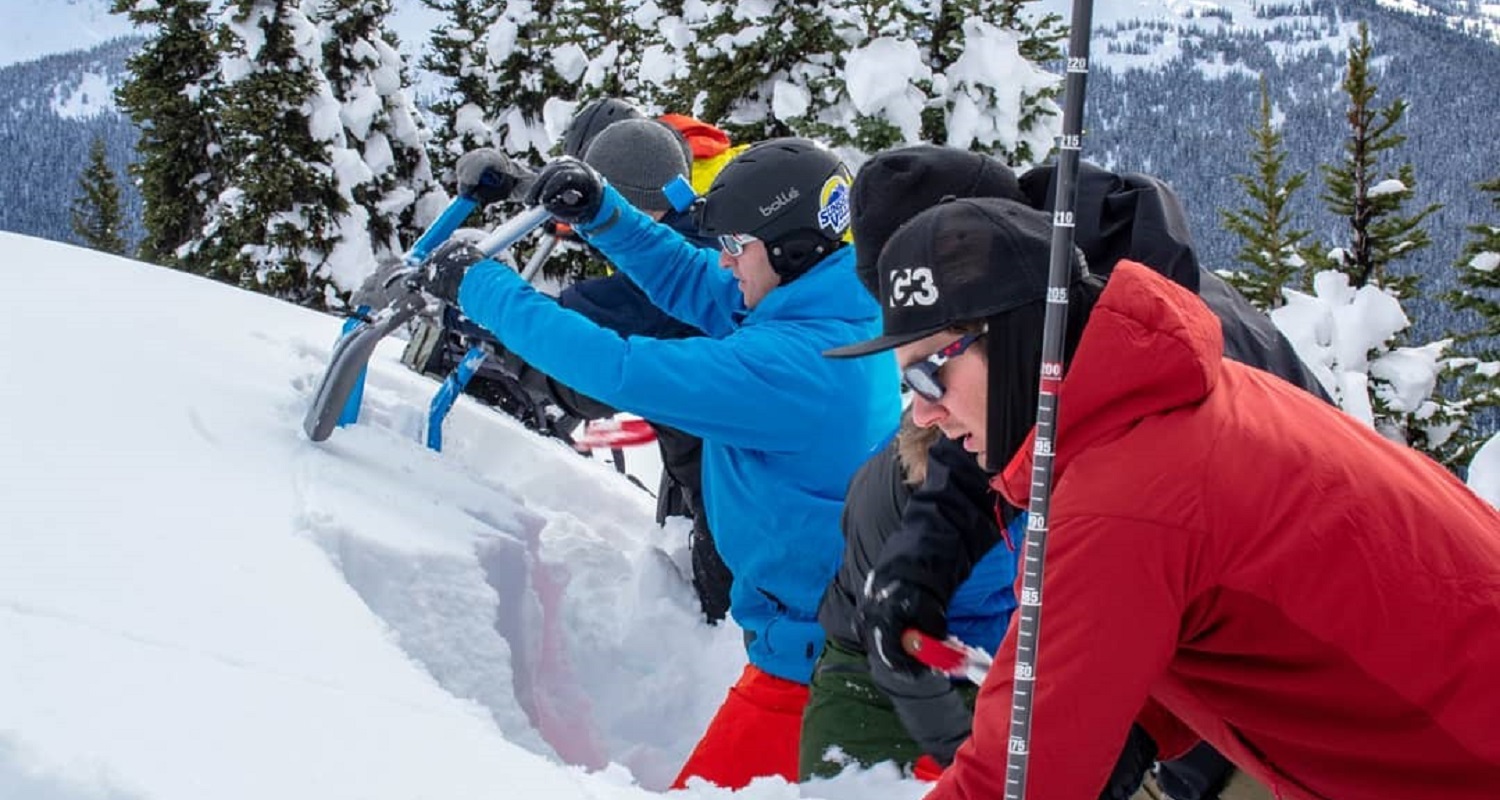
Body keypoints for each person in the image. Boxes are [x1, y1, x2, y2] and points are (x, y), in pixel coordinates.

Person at [827, 195, 1500, 798]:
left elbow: (1013, 783)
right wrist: (1132, 719)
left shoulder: (1123, 495)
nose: (922, 415)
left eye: (929, 376)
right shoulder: (1166, 402)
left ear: (1019, 338)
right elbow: (1242, 607)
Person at [420, 137, 902, 789]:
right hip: (822, 637)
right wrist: (602, 213)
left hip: (815, 668)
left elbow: (620, 367)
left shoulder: (795, 366)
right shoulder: (827, 300)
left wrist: (480, 288)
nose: (726, 261)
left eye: (737, 245)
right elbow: (694, 280)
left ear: (789, 249)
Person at [801, 412, 1024, 780]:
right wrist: (974, 763)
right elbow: (898, 643)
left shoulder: (1040, 467)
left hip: (994, 669)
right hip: (871, 676)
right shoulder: (890, 494)